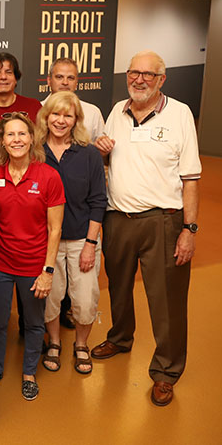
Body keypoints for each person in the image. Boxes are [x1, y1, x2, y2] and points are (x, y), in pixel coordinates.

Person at [91, 50, 201, 407]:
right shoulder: (117, 111)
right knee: (118, 289)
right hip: (118, 218)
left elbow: (190, 178)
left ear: (161, 80)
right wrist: (102, 151)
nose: (138, 79)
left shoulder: (180, 114)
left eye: (147, 75)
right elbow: (109, 160)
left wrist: (190, 228)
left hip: (163, 221)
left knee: (166, 300)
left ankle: (167, 371)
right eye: (133, 73)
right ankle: (120, 338)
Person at [0, 113, 64, 401]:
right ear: (2, 141)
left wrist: (48, 271)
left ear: (32, 138)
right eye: (10, 135)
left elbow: (55, 230)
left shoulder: (49, 176)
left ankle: (29, 372)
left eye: (22, 134)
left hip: (34, 266)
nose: (16, 140)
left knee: (33, 322)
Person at [36, 92, 107, 374]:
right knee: (51, 297)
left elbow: (98, 200)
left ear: (76, 119)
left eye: (68, 115)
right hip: (46, 241)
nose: (61, 121)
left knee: (85, 298)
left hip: (81, 239)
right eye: (56, 114)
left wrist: (91, 243)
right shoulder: (35, 152)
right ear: (46, 117)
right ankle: (54, 342)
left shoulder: (88, 153)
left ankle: (80, 344)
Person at [43, 58, 105, 141]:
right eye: (59, 77)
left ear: (76, 83)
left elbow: (101, 150)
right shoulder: (38, 108)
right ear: (49, 81)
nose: (65, 82)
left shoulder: (92, 113)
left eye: (70, 78)